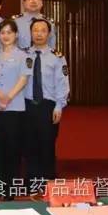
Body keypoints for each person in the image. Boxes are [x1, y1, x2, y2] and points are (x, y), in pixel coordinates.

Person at [0, 19, 32, 201]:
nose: (6, 36)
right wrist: (0, 95)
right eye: (2, 32)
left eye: (9, 32)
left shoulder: (24, 55)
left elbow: (23, 79)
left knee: (12, 149)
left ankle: (11, 188)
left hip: (15, 107)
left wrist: (8, 97)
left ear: (16, 35)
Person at [24, 18, 70, 183]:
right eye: (35, 30)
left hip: (47, 106)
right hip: (27, 105)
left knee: (47, 143)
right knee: (29, 144)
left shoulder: (57, 57)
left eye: (43, 30)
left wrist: (59, 106)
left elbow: (62, 83)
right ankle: (31, 181)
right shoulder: (23, 55)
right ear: (30, 33)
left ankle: (47, 181)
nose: (39, 34)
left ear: (49, 34)